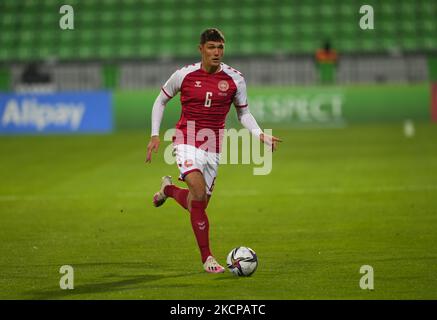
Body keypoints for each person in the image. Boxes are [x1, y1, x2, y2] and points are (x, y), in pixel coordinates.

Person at [146, 28, 281, 273]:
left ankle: (167, 189)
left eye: (220, 47)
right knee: (197, 192)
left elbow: (243, 113)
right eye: (211, 47)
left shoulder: (235, 79)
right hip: (186, 140)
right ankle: (207, 258)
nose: (216, 52)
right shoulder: (184, 75)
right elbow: (161, 100)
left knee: (198, 203)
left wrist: (260, 134)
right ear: (201, 49)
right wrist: (155, 134)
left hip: (213, 146)